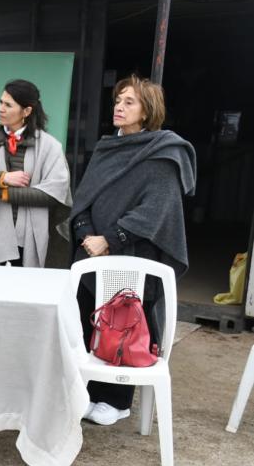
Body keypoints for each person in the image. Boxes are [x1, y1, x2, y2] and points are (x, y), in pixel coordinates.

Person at [70, 75, 196, 425]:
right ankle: (87, 392)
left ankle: (117, 400)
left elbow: (156, 209)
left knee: (125, 325)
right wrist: (86, 234)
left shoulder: (162, 152)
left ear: (147, 110)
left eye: (129, 102)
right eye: (118, 101)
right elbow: (83, 198)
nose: (120, 107)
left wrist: (111, 238)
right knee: (83, 320)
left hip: (134, 256)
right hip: (90, 254)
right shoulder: (106, 148)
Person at [0, 79, 72, 267]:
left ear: (26, 111)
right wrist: (2, 178)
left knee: (27, 290)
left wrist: (7, 194)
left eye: (8, 105)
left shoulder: (50, 146)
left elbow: (57, 191)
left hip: (30, 235)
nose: (1, 109)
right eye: (1, 102)